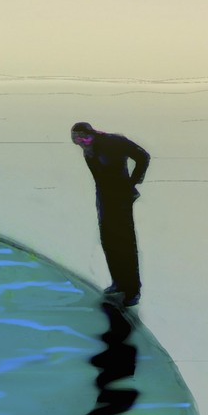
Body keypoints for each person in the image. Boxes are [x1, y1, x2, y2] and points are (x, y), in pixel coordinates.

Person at [71, 122, 150, 306]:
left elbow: (143, 156)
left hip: (121, 199)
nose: (82, 142)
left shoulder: (114, 141)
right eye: (77, 140)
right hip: (105, 200)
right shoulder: (88, 150)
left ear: (93, 133)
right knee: (108, 240)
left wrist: (133, 182)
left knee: (125, 243)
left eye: (84, 137)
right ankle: (119, 282)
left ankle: (132, 290)